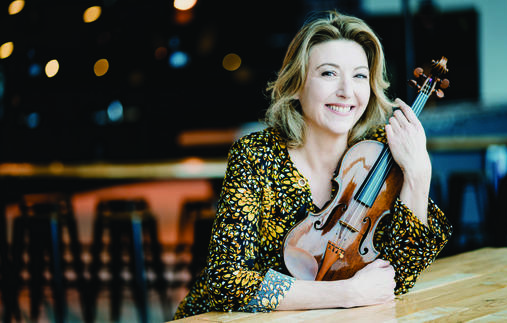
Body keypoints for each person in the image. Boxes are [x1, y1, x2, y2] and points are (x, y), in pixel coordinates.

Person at [173, 10, 452, 319]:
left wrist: (418, 172)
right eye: (329, 73)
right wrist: (345, 294)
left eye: (359, 75)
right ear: (296, 84)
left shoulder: (379, 151)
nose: (347, 91)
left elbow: (399, 277)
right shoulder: (256, 155)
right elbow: (225, 282)